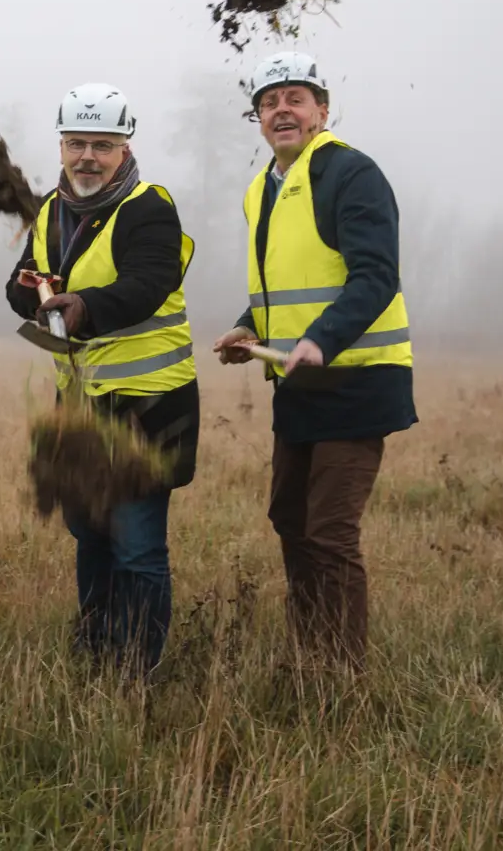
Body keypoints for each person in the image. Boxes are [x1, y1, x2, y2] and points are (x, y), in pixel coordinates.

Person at [211, 51, 415, 671]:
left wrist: (324, 338)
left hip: (357, 382)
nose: (282, 111)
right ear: (258, 119)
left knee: (329, 532)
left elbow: (375, 276)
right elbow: (282, 288)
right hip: (297, 385)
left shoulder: (352, 174)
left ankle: (341, 673)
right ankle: (311, 653)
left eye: (295, 99)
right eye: (269, 103)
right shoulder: (261, 190)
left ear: (323, 111)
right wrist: (249, 329)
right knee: (290, 518)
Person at [4, 84, 200, 676]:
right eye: (76, 143)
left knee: (137, 547)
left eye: (102, 145)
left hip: (148, 407)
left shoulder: (149, 207)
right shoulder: (50, 210)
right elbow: (19, 284)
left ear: (125, 147)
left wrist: (82, 305)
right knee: (89, 533)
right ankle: (95, 649)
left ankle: (139, 669)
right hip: (81, 410)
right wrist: (29, 293)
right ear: (61, 145)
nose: (87, 156)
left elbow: (147, 284)